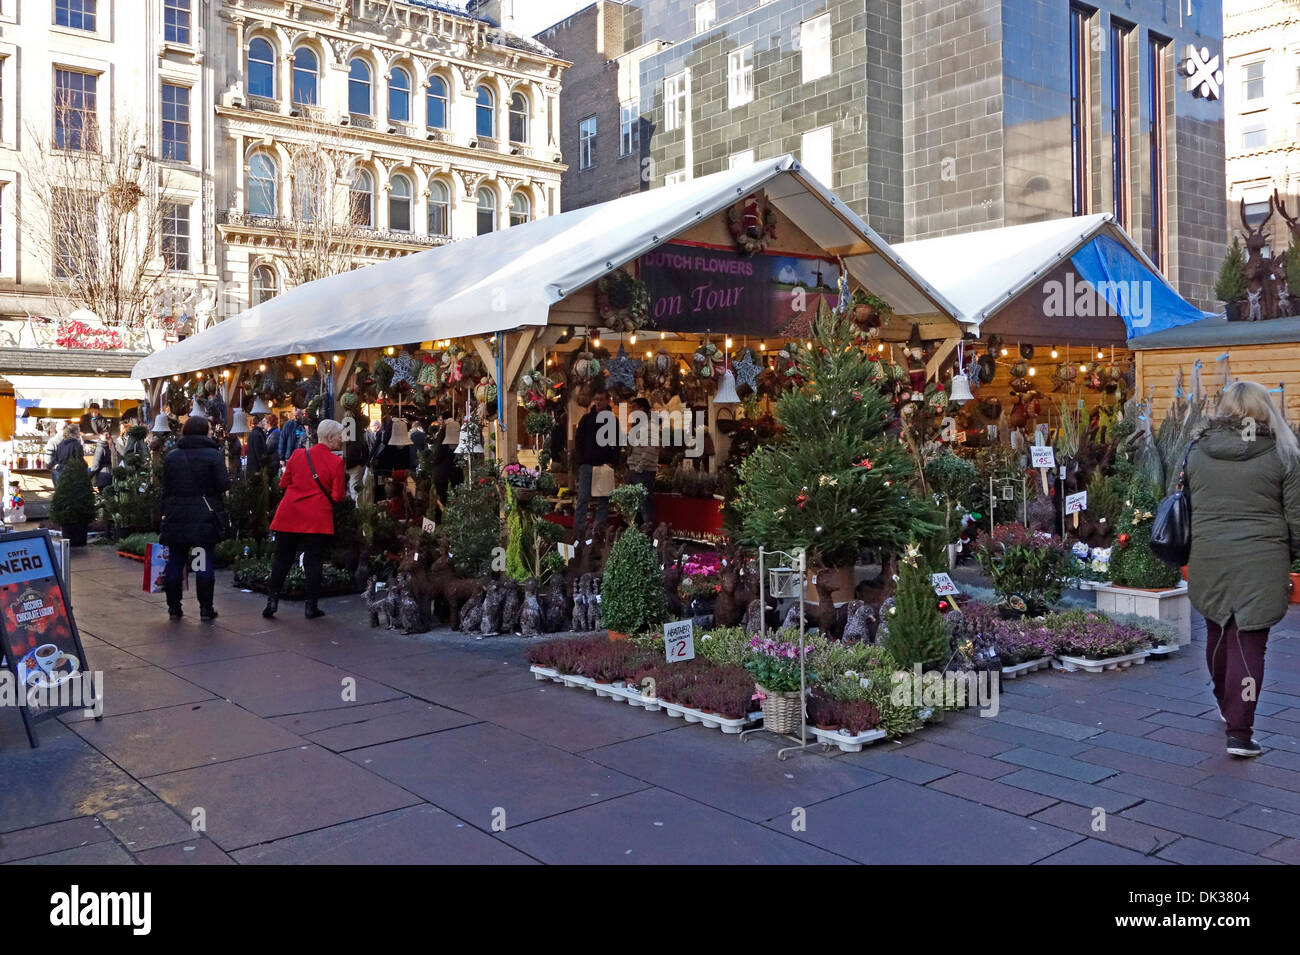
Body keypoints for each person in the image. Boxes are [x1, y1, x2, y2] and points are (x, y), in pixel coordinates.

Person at [1187, 380, 1300, 758]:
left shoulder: (1196, 450)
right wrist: (1290, 553)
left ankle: (1225, 701)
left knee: (1217, 633)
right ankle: (1240, 731)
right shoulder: (1285, 454)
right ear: (1264, 410)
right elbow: (1297, 520)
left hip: (1209, 557)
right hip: (1261, 561)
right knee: (1250, 643)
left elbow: (1183, 503)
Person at [262, 418, 347, 620]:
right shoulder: (336, 462)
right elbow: (337, 496)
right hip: (316, 518)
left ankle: (272, 602)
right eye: (339, 437)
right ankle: (311, 607)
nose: (341, 440)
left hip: (289, 515)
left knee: (282, 559)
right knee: (313, 561)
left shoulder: (298, 455)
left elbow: (284, 483)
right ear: (330, 437)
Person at [158, 416, 231, 620]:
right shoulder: (213, 455)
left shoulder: (172, 456)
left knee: (175, 560)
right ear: (204, 432)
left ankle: (174, 607)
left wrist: (162, 514)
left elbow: (166, 488)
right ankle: (205, 608)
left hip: (176, 516)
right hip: (203, 519)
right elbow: (223, 484)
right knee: (202, 563)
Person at [572, 389, 619, 539]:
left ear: (607, 401)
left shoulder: (612, 420)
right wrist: (580, 460)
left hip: (605, 465)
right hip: (587, 464)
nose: (598, 402)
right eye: (596, 399)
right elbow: (578, 441)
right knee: (583, 498)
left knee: (604, 499)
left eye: (601, 399)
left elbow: (617, 442)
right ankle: (579, 529)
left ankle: (598, 529)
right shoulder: (586, 419)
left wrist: (612, 462)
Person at [624, 396, 658, 526]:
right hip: (636, 470)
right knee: (638, 505)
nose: (631, 411)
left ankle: (648, 533)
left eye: (634, 407)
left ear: (641, 409)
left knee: (644, 503)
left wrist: (639, 467)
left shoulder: (649, 426)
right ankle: (637, 533)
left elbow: (650, 450)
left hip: (644, 472)